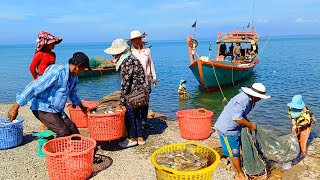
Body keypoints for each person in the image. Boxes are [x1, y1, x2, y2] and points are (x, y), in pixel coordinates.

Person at [7, 52, 91, 137]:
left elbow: (73, 94)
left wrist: (82, 106)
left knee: (74, 132)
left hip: (56, 110)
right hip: (42, 108)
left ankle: (74, 148)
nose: (83, 71)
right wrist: (16, 105)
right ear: (78, 66)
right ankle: (56, 149)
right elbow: (35, 86)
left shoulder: (74, 77)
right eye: (83, 68)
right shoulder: (57, 72)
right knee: (64, 132)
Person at [214, 83, 271, 180]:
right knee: (234, 152)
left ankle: (240, 164)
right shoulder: (243, 100)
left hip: (235, 128)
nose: (260, 99)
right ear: (254, 95)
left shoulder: (250, 100)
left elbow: (242, 115)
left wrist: (248, 123)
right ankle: (239, 174)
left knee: (239, 146)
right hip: (227, 130)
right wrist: (250, 125)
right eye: (259, 97)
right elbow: (237, 119)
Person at [104, 38, 147, 148]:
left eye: (115, 53)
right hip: (140, 93)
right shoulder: (133, 58)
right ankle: (141, 138)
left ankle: (132, 138)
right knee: (138, 115)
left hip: (132, 94)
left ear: (120, 52)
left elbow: (125, 83)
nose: (113, 56)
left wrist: (122, 102)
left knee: (130, 115)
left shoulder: (126, 61)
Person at [29, 31, 62, 131]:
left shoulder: (53, 54)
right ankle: (44, 124)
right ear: (46, 43)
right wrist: (36, 80)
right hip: (41, 80)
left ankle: (51, 122)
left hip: (51, 81)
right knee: (41, 103)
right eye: (52, 43)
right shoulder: (39, 54)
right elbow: (32, 68)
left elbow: (52, 68)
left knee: (51, 101)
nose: (54, 45)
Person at [129, 30, 157, 127]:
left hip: (146, 80)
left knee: (145, 100)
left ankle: (144, 120)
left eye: (139, 38)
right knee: (135, 101)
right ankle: (137, 121)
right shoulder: (130, 52)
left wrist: (154, 77)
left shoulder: (147, 50)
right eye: (135, 39)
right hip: (134, 82)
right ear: (132, 41)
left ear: (141, 39)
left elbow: (151, 63)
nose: (137, 41)